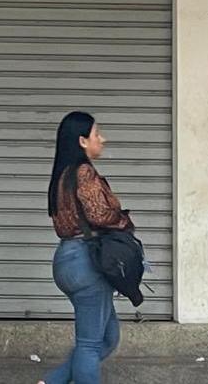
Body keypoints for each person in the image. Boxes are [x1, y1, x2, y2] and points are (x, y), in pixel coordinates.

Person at [40, 112, 134, 384]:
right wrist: (125, 219)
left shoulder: (63, 175)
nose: (101, 139)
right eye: (96, 134)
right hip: (86, 261)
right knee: (90, 344)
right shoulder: (84, 172)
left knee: (107, 337)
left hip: (67, 259)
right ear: (83, 141)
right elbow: (99, 215)